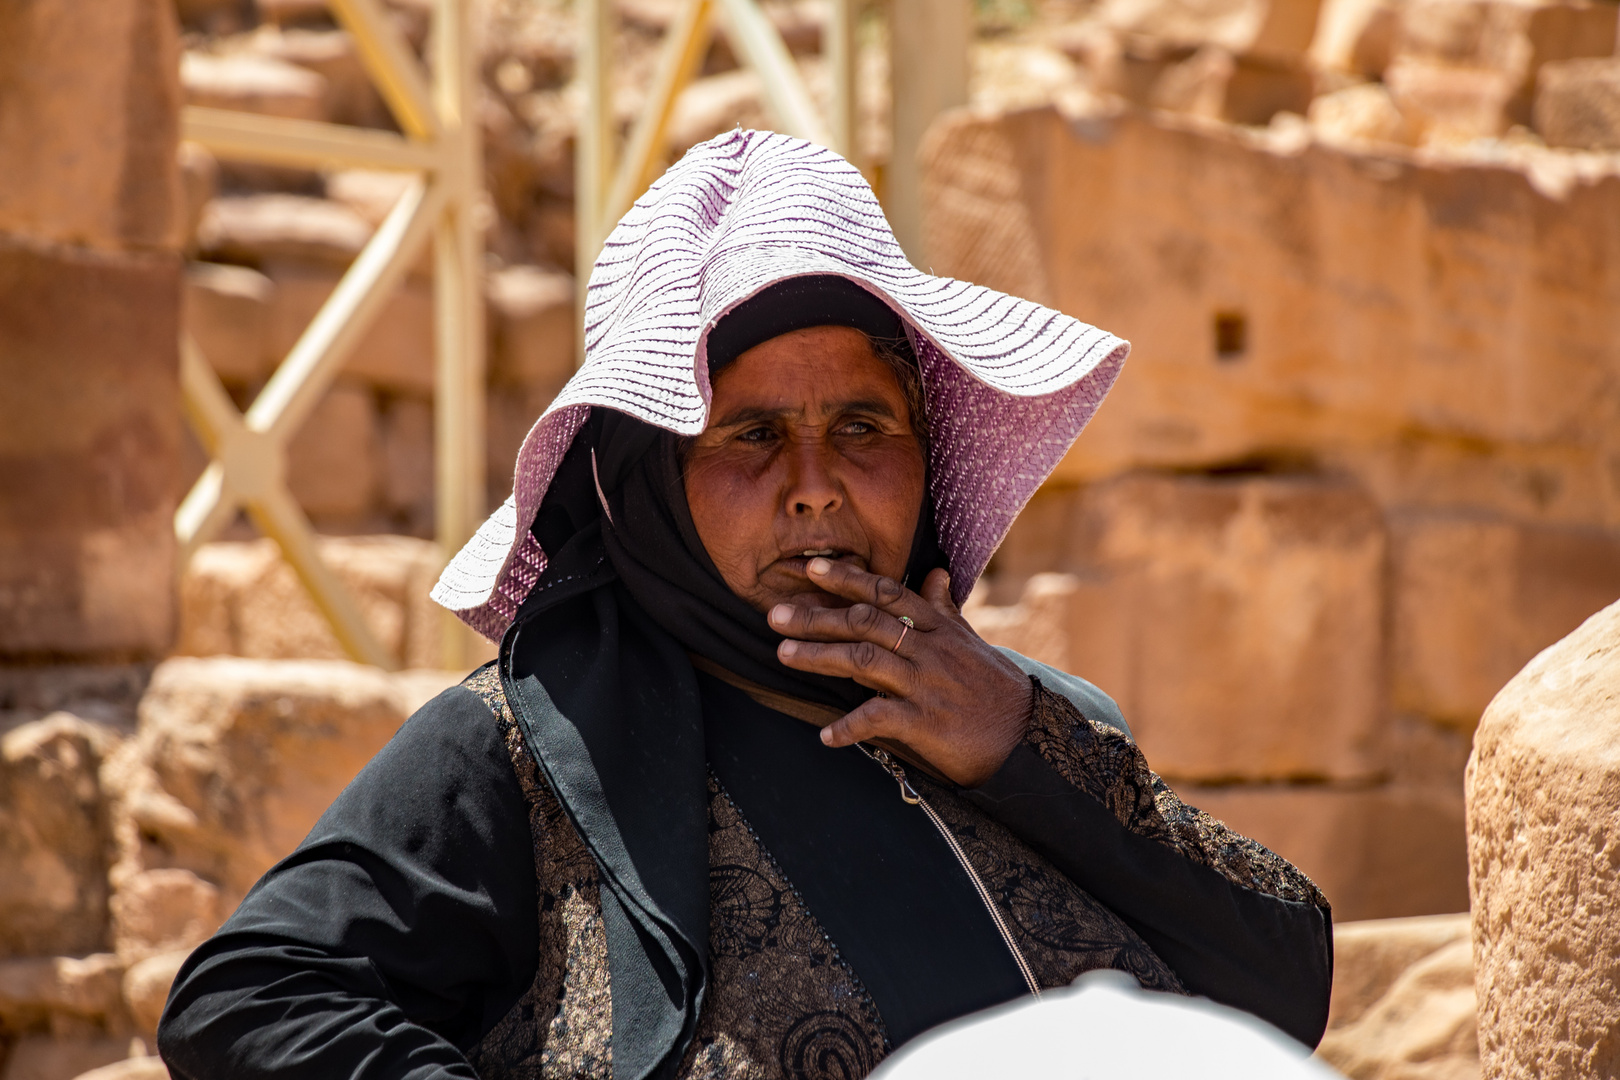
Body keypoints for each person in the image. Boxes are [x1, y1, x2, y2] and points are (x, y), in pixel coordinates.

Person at [157, 130, 1332, 1080]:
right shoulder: (530, 749)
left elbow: (1285, 980)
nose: (815, 487)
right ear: (642, 486)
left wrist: (1025, 748)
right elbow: (251, 1000)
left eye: (862, 428)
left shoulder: (1030, 726)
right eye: (750, 438)